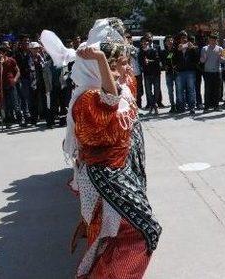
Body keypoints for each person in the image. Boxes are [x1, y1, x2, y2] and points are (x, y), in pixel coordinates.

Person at [56, 19, 161, 278]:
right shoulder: (87, 100)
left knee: (122, 233)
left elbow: (118, 102)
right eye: (122, 63)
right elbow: (108, 105)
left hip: (122, 169)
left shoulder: (117, 89)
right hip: (105, 177)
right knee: (134, 231)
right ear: (104, 68)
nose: (128, 68)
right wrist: (102, 58)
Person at [0, 46, 22, 127]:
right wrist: (0, 63)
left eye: (0, 52)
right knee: (6, 105)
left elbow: (18, 71)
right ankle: (8, 121)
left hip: (11, 84)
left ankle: (20, 120)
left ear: (4, 53)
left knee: (15, 103)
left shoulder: (11, 60)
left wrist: (15, 79)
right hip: (2, 86)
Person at [175, 32, 199, 115]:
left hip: (190, 71)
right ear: (180, 40)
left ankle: (192, 107)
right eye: (182, 38)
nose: (184, 40)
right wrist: (178, 51)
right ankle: (181, 107)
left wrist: (193, 49)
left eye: (185, 38)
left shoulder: (191, 48)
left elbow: (197, 59)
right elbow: (173, 59)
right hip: (180, 72)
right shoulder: (177, 48)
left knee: (191, 90)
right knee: (180, 91)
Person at [200, 34, 224, 112]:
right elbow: (202, 61)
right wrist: (204, 57)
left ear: (216, 40)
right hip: (208, 72)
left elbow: (223, 60)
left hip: (217, 72)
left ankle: (216, 106)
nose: (213, 41)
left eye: (214, 40)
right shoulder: (204, 48)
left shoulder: (220, 48)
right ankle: (206, 107)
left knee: (217, 90)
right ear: (209, 40)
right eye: (211, 40)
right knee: (208, 90)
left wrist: (221, 57)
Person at [139, 35, 161, 115]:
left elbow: (157, 60)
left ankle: (153, 105)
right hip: (147, 74)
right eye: (143, 42)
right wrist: (144, 62)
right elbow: (140, 62)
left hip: (155, 73)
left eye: (146, 42)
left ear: (148, 42)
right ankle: (154, 105)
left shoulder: (153, 50)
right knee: (148, 92)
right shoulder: (140, 52)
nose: (144, 43)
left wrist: (149, 61)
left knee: (157, 90)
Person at [159, 35, 178, 113]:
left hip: (177, 73)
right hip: (168, 73)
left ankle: (179, 105)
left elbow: (179, 60)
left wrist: (176, 65)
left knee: (178, 90)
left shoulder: (176, 50)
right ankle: (172, 105)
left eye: (171, 40)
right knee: (170, 90)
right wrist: (164, 66)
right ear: (165, 43)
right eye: (168, 41)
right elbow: (161, 62)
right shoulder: (163, 52)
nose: (170, 42)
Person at [127, 34, 144, 108]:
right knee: (130, 91)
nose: (127, 40)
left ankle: (139, 106)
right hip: (128, 74)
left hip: (137, 73)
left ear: (131, 39)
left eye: (129, 38)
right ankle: (131, 107)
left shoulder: (136, 49)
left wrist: (132, 53)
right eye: (126, 38)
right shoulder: (122, 50)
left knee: (139, 91)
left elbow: (139, 59)